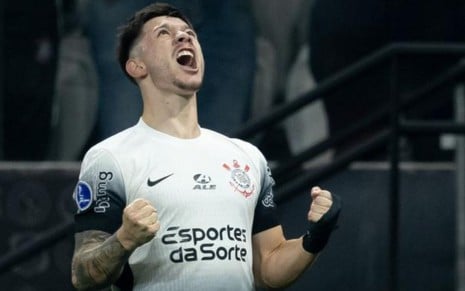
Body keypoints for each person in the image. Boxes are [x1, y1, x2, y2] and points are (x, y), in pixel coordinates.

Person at [70, 3, 341, 290]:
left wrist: (315, 237)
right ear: (137, 66)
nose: (184, 37)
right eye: (164, 33)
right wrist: (124, 239)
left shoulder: (247, 157)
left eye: (190, 33)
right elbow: (82, 276)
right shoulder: (110, 158)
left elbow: (269, 269)